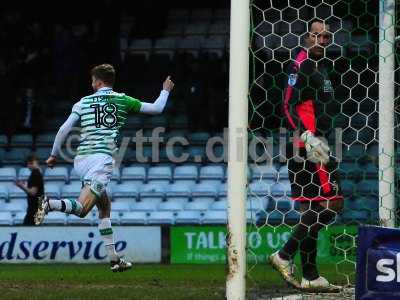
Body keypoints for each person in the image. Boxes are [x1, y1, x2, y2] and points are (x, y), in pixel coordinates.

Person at [34, 63, 175, 272]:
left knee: (104, 206)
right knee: (82, 209)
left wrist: (54, 154)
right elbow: (156, 108)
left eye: (92, 80)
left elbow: (64, 129)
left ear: (98, 81)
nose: (91, 84)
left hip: (81, 160)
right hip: (101, 161)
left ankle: (114, 259)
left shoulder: (83, 102)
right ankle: (49, 204)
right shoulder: (123, 99)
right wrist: (165, 90)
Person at [268, 18, 344, 292]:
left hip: (317, 144)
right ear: (306, 37)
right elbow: (286, 105)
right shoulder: (300, 65)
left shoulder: (320, 67)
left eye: (326, 37)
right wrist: (306, 136)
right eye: (317, 36)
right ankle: (284, 255)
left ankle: (310, 275)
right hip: (310, 148)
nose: (322, 41)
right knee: (331, 204)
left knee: (311, 209)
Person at [15, 154, 44, 225]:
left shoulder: (35, 174)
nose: (28, 166)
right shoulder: (37, 173)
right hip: (36, 207)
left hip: (34, 208)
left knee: (27, 228)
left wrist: (21, 186)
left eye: (30, 163)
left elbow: (33, 192)